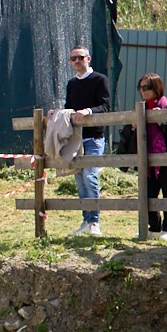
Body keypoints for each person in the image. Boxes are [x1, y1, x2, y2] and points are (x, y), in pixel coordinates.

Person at [115, 72, 167, 238]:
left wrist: (161, 123)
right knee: (147, 194)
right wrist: (133, 127)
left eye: (146, 87)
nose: (142, 91)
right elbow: (127, 137)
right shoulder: (139, 109)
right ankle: (154, 228)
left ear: (156, 87)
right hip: (146, 161)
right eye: (140, 88)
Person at [64, 46, 112, 235]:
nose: (77, 61)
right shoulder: (71, 84)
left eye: (80, 58)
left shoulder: (100, 79)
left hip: (94, 137)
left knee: (89, 176)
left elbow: (106, 106)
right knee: (79, 179)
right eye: (73, 58)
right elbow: (68, 108)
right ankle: (86, 220)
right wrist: (57, 113)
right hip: (76, 139)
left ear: (88, 58)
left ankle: (95, 222)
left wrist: (89, 111)